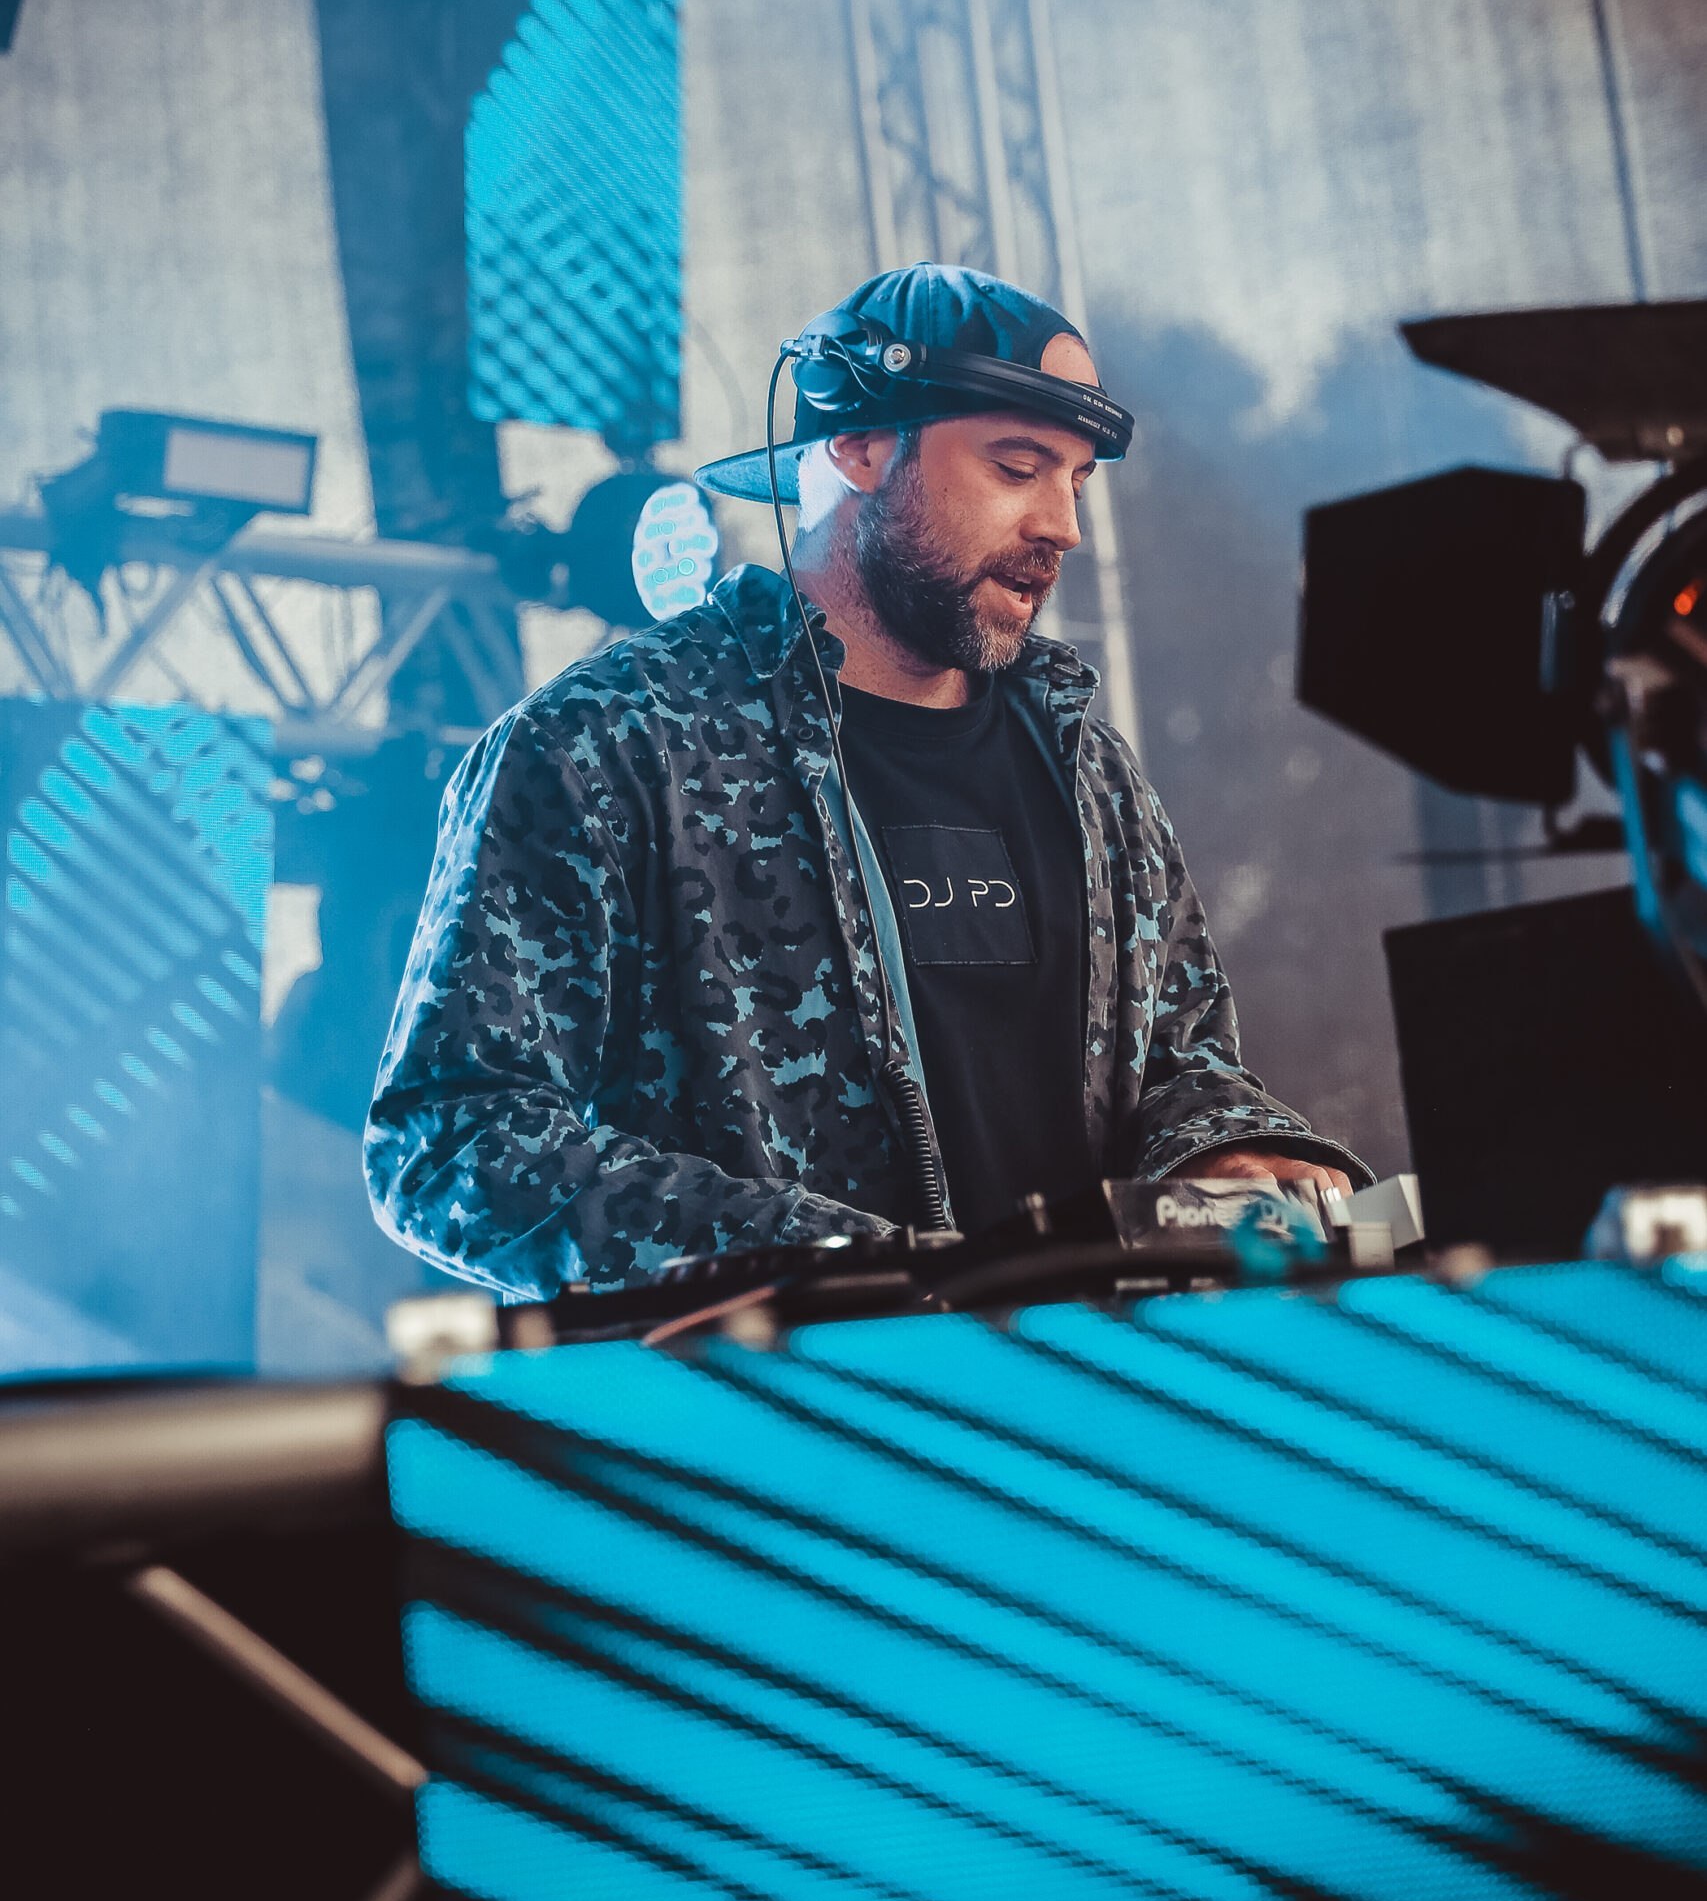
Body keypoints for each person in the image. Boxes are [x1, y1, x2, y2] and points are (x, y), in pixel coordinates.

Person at [365, 265, 1367, 1295]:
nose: (1062, 525)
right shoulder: (606, 746)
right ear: (857, 444)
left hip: (1089, 1385)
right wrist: (829, 1268)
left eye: (1074, 481)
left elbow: (1182, 1066)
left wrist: (1228, 1147)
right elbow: (450, 1138)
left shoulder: (1095, 775)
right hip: (783, 1395)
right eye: (1017, 467)